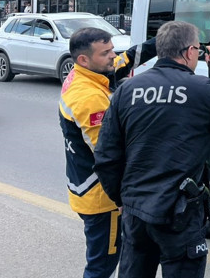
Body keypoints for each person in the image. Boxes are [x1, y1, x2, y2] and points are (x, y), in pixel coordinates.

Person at [94, 21, 210, 278]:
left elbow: (105, 156)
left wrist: (121, 199)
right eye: (198, 50)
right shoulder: (201, 89)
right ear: (189, 52)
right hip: (180, 212)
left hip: (136, 209)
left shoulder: (127, 90)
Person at [58, 27, 157, 278]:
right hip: (102, 198)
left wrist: (161, 40)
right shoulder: (88, 97)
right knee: (101, 266)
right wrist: (123, 198)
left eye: (112, 49)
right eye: (106, 53)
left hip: (87, 185)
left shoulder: (88, 74)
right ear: (84, 59)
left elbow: (125, 60)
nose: (113, 56)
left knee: (102, 261)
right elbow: (109, 155)